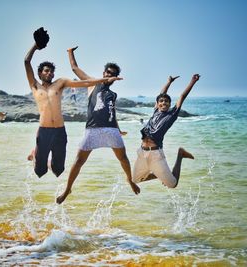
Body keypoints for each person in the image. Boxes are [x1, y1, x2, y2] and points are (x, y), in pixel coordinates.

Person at [24, 39, 122, 179]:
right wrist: (35, 45)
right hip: (44, 131)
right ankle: (35, 155)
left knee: (58, 170)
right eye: (47, 71)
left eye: (52, 71)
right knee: (40, 172)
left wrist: (102, 80)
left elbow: (85, 82)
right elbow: (26, 62)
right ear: (40, 73)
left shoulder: (60, 83)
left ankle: (48, 161)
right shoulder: (35, 86)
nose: (50, 73)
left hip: (59, 131)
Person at [56, 46, 140, 204]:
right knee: (79, 161)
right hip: (92, 129)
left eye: (112, 74)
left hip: (111, 130)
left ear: (116, 77)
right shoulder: (91, 84)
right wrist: (70, 52)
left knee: (123, 158)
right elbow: (74, 68)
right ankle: (67, 189)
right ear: (104, 73)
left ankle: (130, 180)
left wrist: (119, 129)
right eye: (107, 72)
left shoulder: (113, 94)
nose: (109, 75)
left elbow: (111, 112)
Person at [131, 74, 200, 189]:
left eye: (167, 101)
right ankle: (160, 175)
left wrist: (193, 81)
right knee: (135, 180)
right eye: (161, 101)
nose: (164, 103)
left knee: (173, 184)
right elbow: (161, 94)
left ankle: (180, 154)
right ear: (157, 104)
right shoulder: (156, 111)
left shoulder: (172, 114)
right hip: (142, 152)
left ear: (170, 104)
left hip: (156, 154)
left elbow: (182, 96)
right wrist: (169, 82)